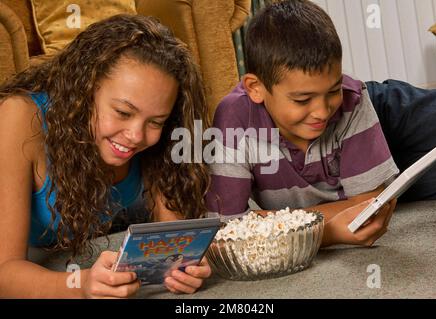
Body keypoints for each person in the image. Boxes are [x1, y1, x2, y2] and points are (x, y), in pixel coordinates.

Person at [0, 14, 212, 298]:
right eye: (123, 113)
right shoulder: (20, 118)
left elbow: (172, 235)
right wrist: (80, 285)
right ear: (84, 89)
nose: (136, 135)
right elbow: (4, 272)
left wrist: (185, 265)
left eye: (156, 122)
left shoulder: (155, 141)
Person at [205, 0, 400, 248]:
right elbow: (228, 227)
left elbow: (372, 203)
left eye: (332, 91)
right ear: (256, 88)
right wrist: (326, 231)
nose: (322, 111)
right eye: (302, 99)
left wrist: (269, 223)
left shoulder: (352, 98)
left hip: (394, 106)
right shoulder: (234, 117)